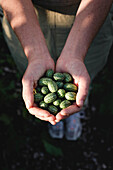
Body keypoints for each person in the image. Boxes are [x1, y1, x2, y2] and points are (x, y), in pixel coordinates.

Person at [0, 0, 113, 140]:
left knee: (84, 72)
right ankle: (56, 116)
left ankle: (77, 107)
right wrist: (35, 55)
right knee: (29, 67)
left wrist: (76, 54)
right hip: (25, 15)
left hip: (88, 16)